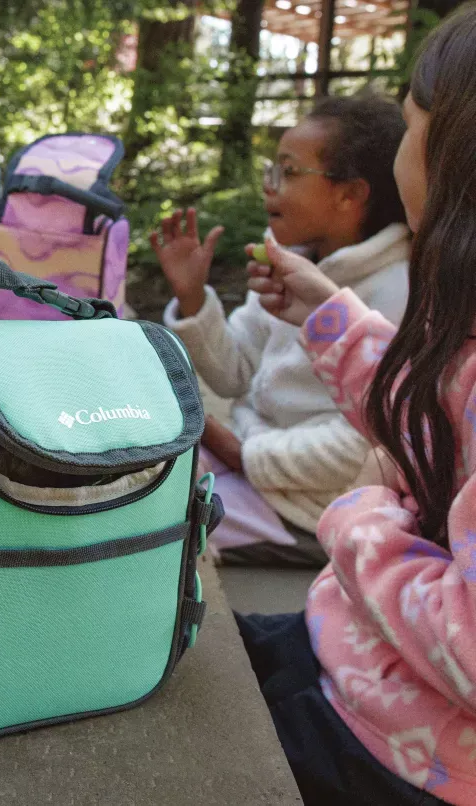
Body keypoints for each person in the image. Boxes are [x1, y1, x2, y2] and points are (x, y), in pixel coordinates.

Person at [238, 5, 476, 803]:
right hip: (356, 647)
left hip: (400, 751)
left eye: (411, 125)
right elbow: (437, 411)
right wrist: (327, 315)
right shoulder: (454, 308)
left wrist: (362, 511)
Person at [150, 95, 411, 568]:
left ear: (350, 195)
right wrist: (192, 298)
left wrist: (242, 452)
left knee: (153, 525)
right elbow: (234, 374)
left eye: (289, 172)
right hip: (249, 461)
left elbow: (369, 447)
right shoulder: (293, 264)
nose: (270, 186)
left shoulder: (398, 292)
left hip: (311, 503)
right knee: (138, 473)